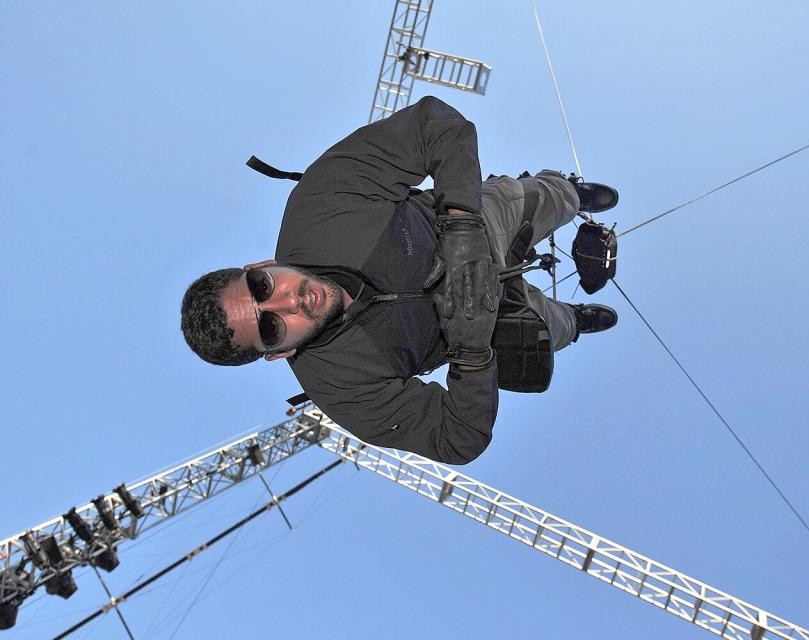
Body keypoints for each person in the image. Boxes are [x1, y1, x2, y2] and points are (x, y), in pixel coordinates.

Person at [181, 96, 618, 464]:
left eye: (262, 289)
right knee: (551, 332)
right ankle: (576, 320)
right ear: (280, 353)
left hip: (478, 225)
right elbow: (456, 439)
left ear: (260, 266)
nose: (289, 303)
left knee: (544, 197)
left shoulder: (321, 201)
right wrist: (470, 354)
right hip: (486, 328)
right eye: (270, 327)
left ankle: (572, 191)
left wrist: (462, 226)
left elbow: (436, 125)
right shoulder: (341, 389)